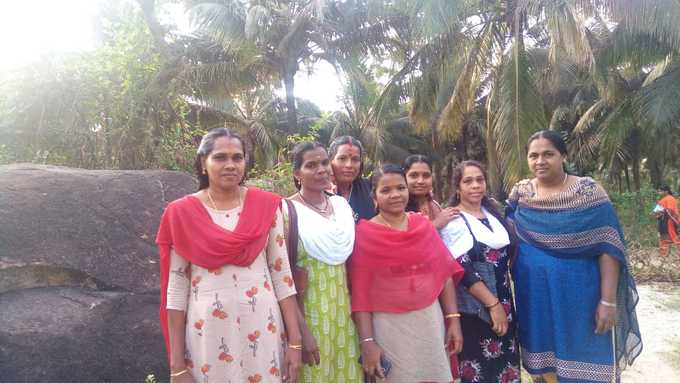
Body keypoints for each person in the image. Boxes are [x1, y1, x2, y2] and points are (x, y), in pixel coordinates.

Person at [157, 128, 302, 383]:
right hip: (208, 332)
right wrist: (177, 365)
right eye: (220, 157)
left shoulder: (267, 206)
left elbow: (282, 274)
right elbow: (176, 288)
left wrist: (295, 342)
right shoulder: (180, 213)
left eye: (237, 157)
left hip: (262, 327)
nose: (230, 165)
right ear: (204, 163)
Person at [507, 130, 642, 383]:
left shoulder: (588, 192)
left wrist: (608, 301)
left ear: (563, 156)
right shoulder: (521, 194)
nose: (540, 161)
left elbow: (608, 247)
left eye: (548, 154)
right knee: (543, 356)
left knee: (586, 352)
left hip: (581, 297)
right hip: (535, 297)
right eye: (533, 155)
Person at [349, 164, 465, 383]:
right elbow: (361, 294)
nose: (395, 195)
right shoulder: (365, 234)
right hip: (389, 326)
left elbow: (444, 275)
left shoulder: (423, 226)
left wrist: (453, 320)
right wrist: (367, 341)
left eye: (400, 188)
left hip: (429, 320)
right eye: (386, 190)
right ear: (374, 197)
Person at [283, 141, 363, 382]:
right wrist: (301, 334)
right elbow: (282, 277)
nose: (321, 169)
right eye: (311, 165)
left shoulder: (341, 206)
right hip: (310, 317)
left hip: (345, 315)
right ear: (297, 174)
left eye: (324, 162)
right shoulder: (286, 212)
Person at [440, 161, 521, 383]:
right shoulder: (454, 220)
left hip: (505, 305)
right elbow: (462, 269)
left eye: (480, 180)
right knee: (481, 372)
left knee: (506, 368)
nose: (475, 185)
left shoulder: (493, 215)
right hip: (476, 311)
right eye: (468, 181)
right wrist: (493, 305)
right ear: (457, 187)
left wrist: (501, 306)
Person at [403, 154, 459, 229]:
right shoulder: (398, 207)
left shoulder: (434, 205)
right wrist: (436, 223)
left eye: (426, 176)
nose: (420, 181)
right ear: (404, 177)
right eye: (414, 175)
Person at [328, 136, 375, 221]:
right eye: (342, 158)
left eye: (355, 159)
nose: (349, 165)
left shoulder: (369, 187)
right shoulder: (319, 192)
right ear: (331, 160)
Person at [655, 185, 680, 257]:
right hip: (663, 221)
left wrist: (676, 223)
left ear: (666, 191)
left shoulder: (670, 198)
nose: (659, 192)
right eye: (659, 191)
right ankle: (663, 255)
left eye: (660, 191)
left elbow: (670, 211)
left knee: (674, 238)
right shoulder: (663, 200)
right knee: (663, 238)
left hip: (669, 222)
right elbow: (656, 212)